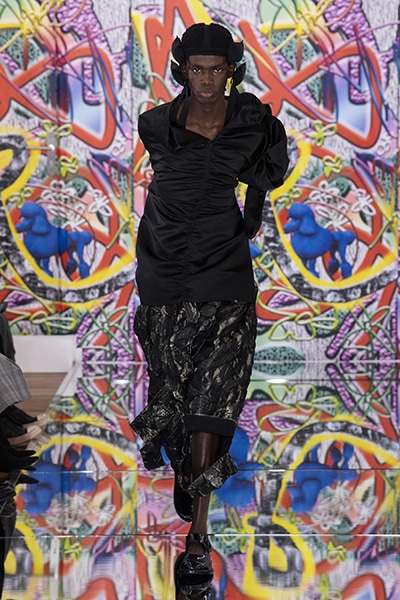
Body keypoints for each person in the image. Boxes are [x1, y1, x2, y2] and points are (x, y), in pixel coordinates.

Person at [131, 22, 289, 596]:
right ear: (183, 70)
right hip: (166, 269)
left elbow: (268, 170)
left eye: (215, 69)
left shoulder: (250, 123)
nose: (205, 79)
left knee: (212, 400)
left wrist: (254, 209)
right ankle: (186, 469)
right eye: (196, 69)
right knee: (173, 394)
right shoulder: (155, 125)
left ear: (230, 71)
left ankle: (197, 533)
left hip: (224, 269)